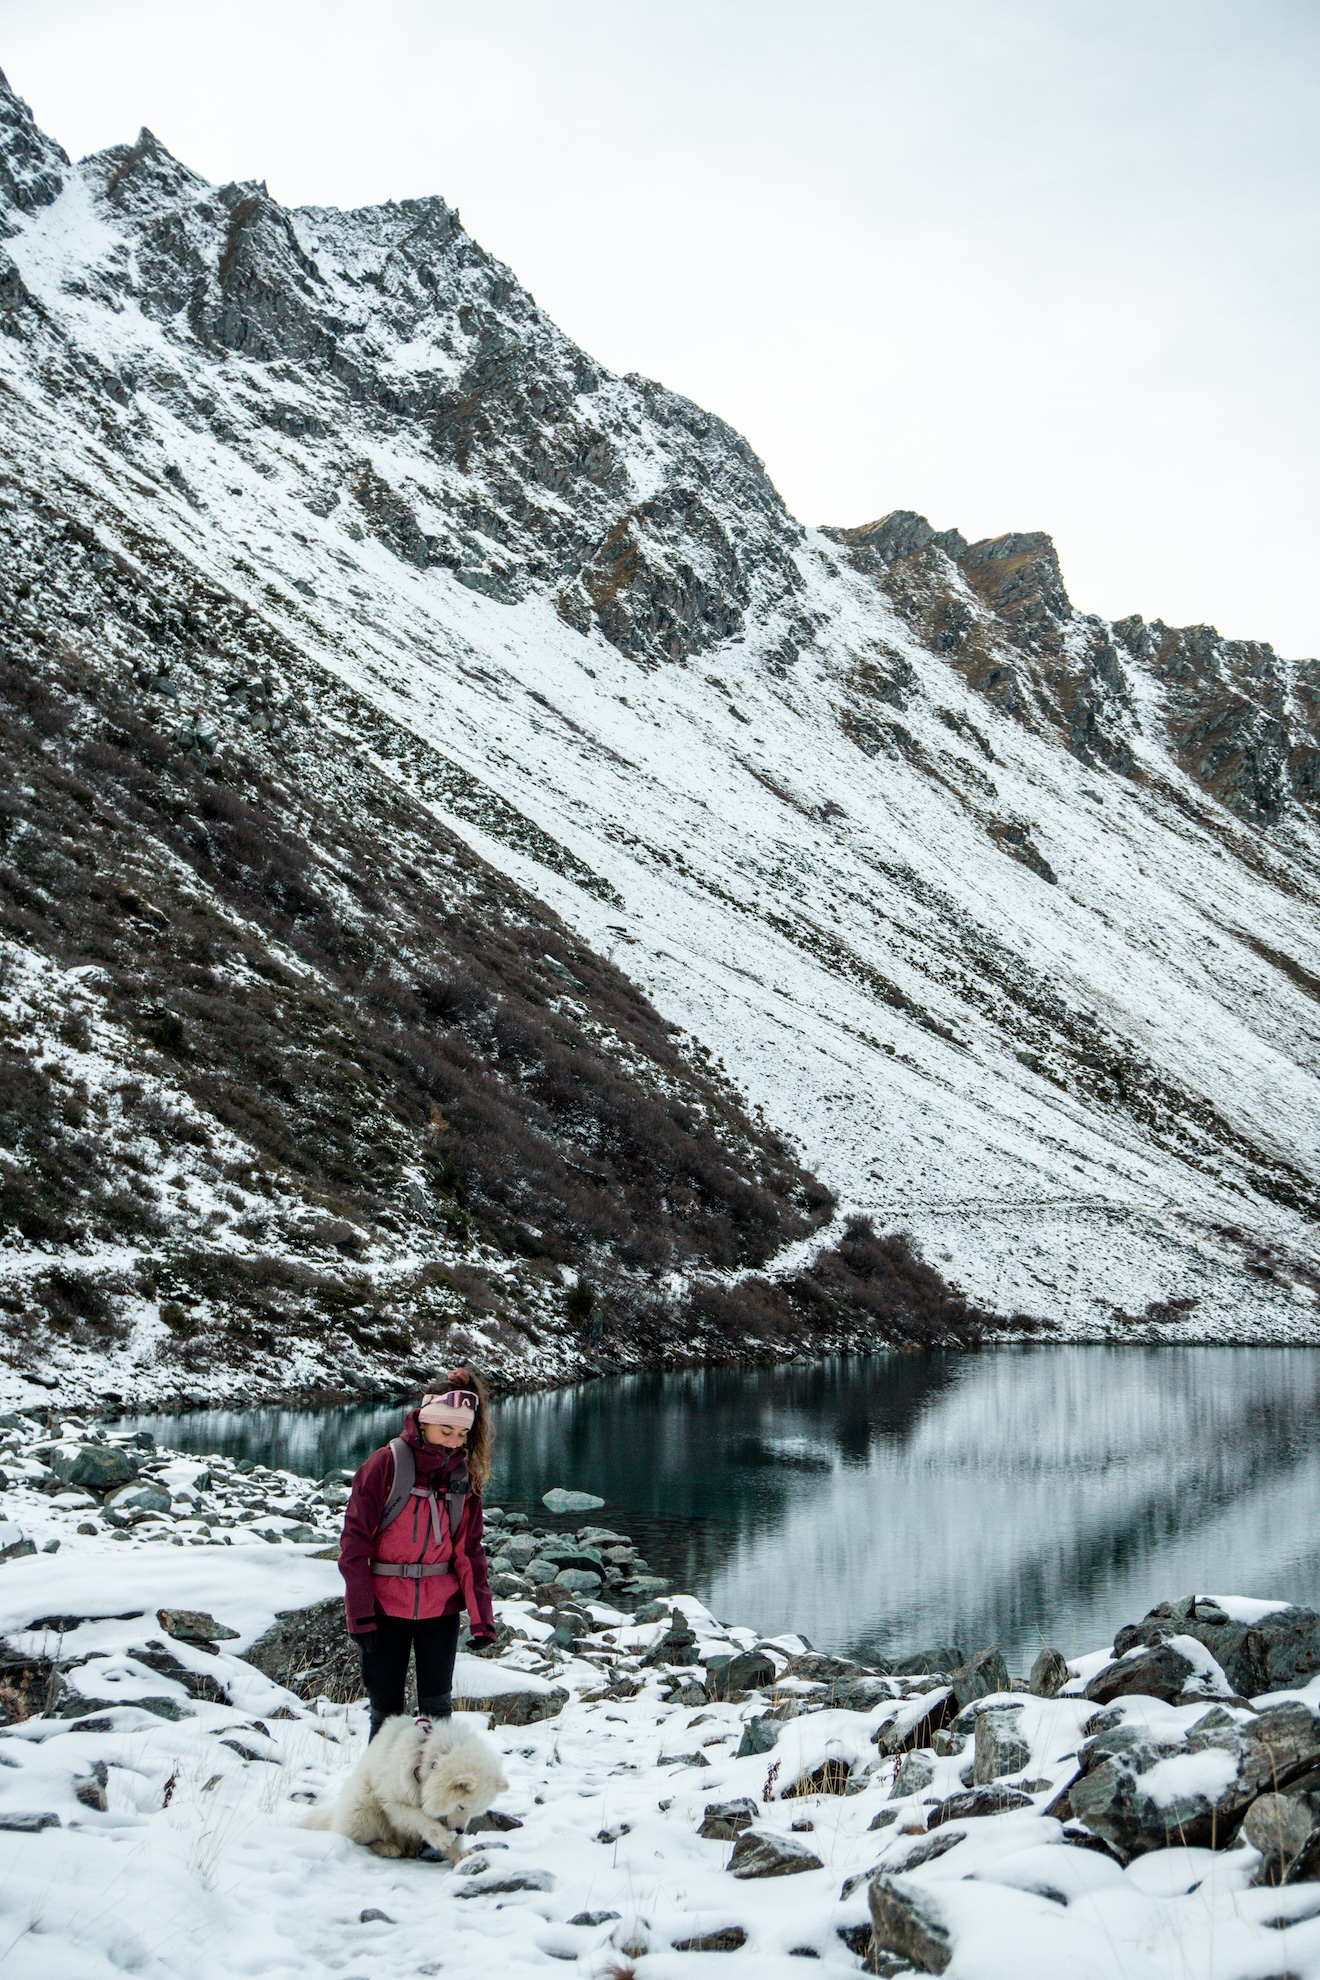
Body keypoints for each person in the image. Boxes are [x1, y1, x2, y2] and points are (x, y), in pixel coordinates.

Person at [339, 1368, 497, 1739]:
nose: (454, 1443)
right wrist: (359, 1613)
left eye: (461, 1435)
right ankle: (379, 1793)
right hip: (383, 1607)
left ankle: (435, 1793)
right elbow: (354, 1545)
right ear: (424, 1422)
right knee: (386, 1714)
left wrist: (481, 1618)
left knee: (438, 1712)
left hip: (439, 1610)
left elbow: (469, 1552)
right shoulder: (386, 1464)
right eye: (446, 1432)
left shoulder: (463, 1477)